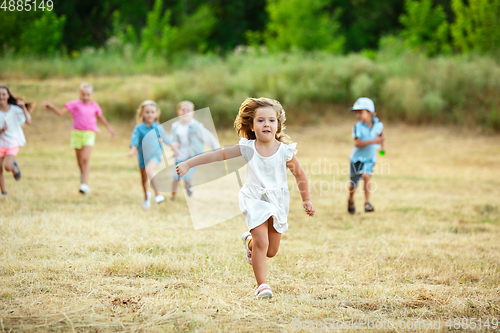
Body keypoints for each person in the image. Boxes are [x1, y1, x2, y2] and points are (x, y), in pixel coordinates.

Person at [176, 97, 315, 299]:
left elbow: (300, 174)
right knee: (262, 242)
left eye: (271, 120)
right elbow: (217, 155)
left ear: (278, 125)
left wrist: (306, 199)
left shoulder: (285, 151)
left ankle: (248, 241)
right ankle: (262, 286)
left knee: (271, 250)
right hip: (254, 199)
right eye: (260, 120)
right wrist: (189, 163)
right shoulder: (248, 148)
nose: (266, 124)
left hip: (277, 201)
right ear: (251, 125)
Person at [44, 83, 116, 194]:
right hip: (77, 134)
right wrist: (52, 107)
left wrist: (109, 129)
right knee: (79, 161)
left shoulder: (94, 106)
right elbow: (61, 113)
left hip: (89, 134)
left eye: (88, 94)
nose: (85, 97)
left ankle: (85, 184)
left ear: (92, 95)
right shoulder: (74, 104)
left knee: (85, 159)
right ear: (79, 94)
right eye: (83, 94)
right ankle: (83, 174)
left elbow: (101, 118)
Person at [127, 100, 180, 210]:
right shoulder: (138, 127)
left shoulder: (158, 127)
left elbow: (166, 139)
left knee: (149, 170)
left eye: (152, 112)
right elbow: (135, 139)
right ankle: (146, 196)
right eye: (147, 112)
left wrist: (174, 148)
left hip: (155, 155)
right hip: (142, 156)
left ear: (156, 114)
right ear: (142, 113)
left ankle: (157, 194)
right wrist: (133, 150)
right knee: (143, 179)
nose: (149, 114)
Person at [170, 101, 220, 201]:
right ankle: (173, 196)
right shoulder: (175, 126)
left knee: (186, 176)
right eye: (183, 110)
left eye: (188, 111)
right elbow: (173, 140)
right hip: (180, 155)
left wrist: (216, 149)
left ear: (192, 113)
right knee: (175, 176)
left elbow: (208, 137)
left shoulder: (196, 126)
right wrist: (173, 145)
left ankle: (188, 186)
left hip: (193, 155)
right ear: (178, 112)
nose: (185, 113)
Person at [347, 97, 385, 214]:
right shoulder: (357, 126)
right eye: (356, 113)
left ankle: (367, 203)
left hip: (369, 158)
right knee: (354, 184)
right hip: (356, 159)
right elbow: (357, 143)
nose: (358, 115)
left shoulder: (379, 125)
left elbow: (381, 137)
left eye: (360, 112)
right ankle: (351, 198)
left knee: (366, 176)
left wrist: (382, 146)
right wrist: (374, 141)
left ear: (369, 112)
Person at [0, 86, 33, 195]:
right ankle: (3, 191)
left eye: (3, 94)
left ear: (8, 96)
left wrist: (23, 108)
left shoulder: (15, 110)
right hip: (1, 143)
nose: (1, 97)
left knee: (7, 167)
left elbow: (28, 122)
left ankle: (13, 166)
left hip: (12, 142)